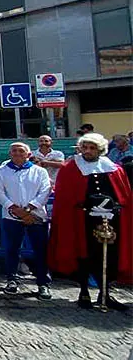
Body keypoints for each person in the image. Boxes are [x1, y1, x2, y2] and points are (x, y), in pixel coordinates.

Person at [50, 133, 132, 310]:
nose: (87, 151)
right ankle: (84, 291)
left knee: (110, 255)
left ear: (100, 150)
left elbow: (123, 194)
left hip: (110, 220)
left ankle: (105, 293)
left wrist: (117, 207)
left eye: (92, 148)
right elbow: (65, 197)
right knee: (84, 254)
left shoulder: (113, 168)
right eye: (84, 147)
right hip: (82, 220)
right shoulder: (71, 168)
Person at [0, 142, 52, 299]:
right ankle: (12, 279)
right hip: (11, 216)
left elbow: (45, 191)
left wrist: (30, 208)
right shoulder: (1, 171)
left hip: (36, 216)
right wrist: (12, 207)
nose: (17, 153)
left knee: (41, 250)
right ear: (10, 153)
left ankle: (42, 283)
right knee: (12, 250)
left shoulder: (39, 171)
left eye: (21, 151)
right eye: (14, 151)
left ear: (28, 154)